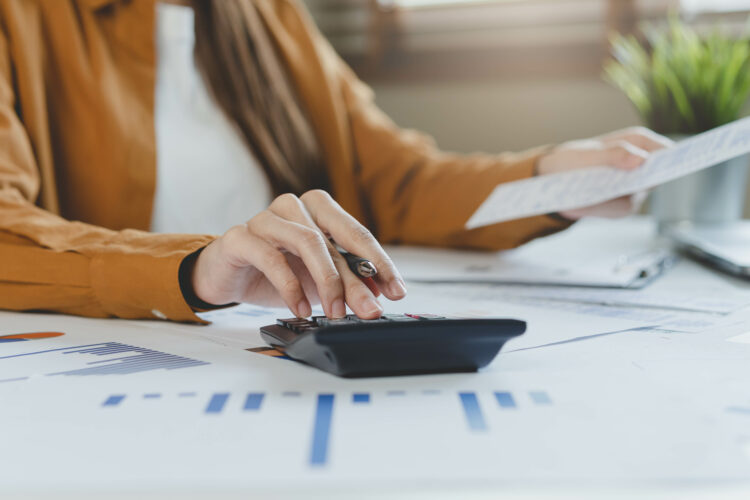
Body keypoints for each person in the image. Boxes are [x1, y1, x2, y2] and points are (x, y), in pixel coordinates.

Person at [0, 0, 671, 323]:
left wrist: (550, 179)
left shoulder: (269, 17)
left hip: (281, 357)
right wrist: (196, 268)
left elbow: (398, 183)